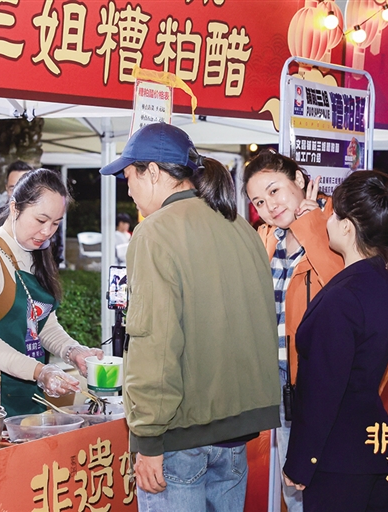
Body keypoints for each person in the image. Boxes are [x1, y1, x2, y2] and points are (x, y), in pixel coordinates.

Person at [99, 123, 280, 511]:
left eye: (129, 177)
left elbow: (154, 341)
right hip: (236, 433)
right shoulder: (241, 227)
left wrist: (147, 437)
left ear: (152, 172)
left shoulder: (154, 232)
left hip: (180, 436)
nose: (128, 190)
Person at [283, 171, 388, 512]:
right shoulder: (384, 282)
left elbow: (323, 389)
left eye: (333, 214)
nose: (327, 220)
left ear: (347, 227)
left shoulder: (344, 295)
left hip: (337, 458)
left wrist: (301, 461)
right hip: (371, 448)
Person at [243, 149, 343, 512]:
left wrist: (312, 224)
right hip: (281, 382)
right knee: (293, 485)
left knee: (326, 483)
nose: (269, 206)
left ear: (299, 180)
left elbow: (339, 286)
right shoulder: (267, 238)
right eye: (258, 201)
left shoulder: (335, 227)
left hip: (322, 380)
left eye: (274, 191)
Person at [0, 168, 103, 416]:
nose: (47, 232)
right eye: (40, 220)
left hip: (29, 396)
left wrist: (73, 351)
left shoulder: (34, 253)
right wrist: (40, 371)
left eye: (55, 223)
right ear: (15, 208)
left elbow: (42, 325)